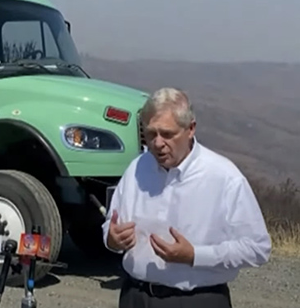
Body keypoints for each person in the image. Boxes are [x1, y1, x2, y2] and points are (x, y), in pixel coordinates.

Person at [102, 87, 272, 308]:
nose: (157, 143)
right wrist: (112, 240)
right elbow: (110, 225)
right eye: (151, 133)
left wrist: (195, 255)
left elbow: (257, 248)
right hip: (136, 296)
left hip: (196, 299)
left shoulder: (224, 177)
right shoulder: (137, 167)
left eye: (167, 134)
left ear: (190, 129)